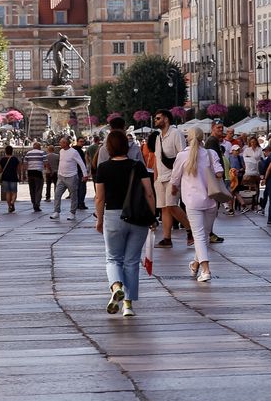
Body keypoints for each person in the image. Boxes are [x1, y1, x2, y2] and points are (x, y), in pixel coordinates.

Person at [93, 129, 156, 318]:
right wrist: (152, 217)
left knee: (113, 259)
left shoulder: (103, 168)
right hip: (137, 216)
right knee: (132, 262)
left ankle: (116, 286)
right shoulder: (138, 166)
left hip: (113, 216)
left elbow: (99, 198)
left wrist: (100, 219)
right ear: (126, 146)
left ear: (109, 147)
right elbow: (149, 193)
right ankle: (127, 305)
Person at [170, 127, 224, 283]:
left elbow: (175, 178)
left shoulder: (182, 156)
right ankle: (195, 264)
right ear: (202, 138)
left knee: (199, 236)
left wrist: (174, 189)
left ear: (188, 138)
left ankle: (205, 270)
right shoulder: (210, 153)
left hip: (192, 200)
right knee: (204, 236)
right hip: (211, 200)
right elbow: (220, 173)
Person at [150, 110, 189, 247]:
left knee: (172, 205)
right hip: (160, 178)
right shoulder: (158, 136)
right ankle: (167, 239)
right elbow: (157, 158)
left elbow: (183, 156)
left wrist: (178, 179)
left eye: (158, 118)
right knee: (164, 209)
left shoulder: (176, 134)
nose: (156, 120)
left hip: (173, 177)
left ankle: (190, 230)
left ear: (166, 119)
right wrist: (155, 177)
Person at [49, 136, 86, 221]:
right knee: (57, 194)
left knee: (73, 195)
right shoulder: (61, 151)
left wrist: (85, 175)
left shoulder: (74, 152)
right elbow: (61, 163)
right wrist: (59, 173)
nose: (59, 144)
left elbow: (81, 163)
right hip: (61, 177)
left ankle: (72, 213)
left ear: (65, 143)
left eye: (61, 142)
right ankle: (56, 212)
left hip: (72, 176)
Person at [203, 126, 229, 242]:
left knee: (214, 207)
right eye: (218, 128)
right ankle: (209, 233)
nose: (221, 130)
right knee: (212, 207)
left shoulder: (214, 141)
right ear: (212, 128)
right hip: (214, 178)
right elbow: (211, 160)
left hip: (214, 177)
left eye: (222, 128)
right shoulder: (212, 141)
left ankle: (209, 232)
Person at [0, 145, 21, 213]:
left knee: (7, 193)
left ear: (5, 151)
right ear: (12, 151)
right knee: (14, 192)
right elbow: (18, 169)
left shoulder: (2, 159)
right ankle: (12, 202)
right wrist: (20, 176)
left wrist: (2, 172)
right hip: (13, 177)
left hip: (5, 177)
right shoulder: (15, 159)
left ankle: (9, 206)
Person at [24, 142, 46, 212]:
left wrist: (25, 173)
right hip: (38, 172)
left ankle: (33, 203)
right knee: (38, 189)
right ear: (39, 147)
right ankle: (37, 204)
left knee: (32, 189)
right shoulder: (42, 153)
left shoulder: (28, 153)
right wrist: (47, 169)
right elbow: (45, 163)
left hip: (30, 172)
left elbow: (25, 163)